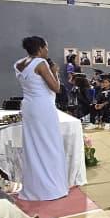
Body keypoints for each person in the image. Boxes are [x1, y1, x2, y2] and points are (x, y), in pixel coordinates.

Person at [13, 37, 70, 201]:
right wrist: (56, 72)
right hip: (43, 107)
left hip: (29, 106)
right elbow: (56, 88)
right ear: (40, 48)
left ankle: (34, 186)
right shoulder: (41, 63)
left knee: (33, 146)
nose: (47, 50)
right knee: (50, 145)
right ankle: (51, 188)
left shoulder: (18, 63)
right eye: (46, 47)